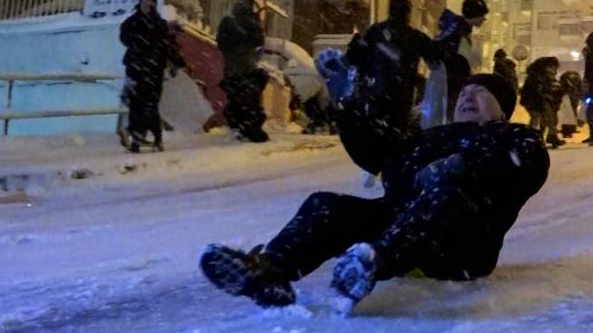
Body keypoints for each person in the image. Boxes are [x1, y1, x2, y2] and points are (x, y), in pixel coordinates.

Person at [199, 51, 549, 314]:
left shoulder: (513, 136)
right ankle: (271, 271)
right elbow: (378, 154)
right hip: (402, 227)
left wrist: (460, 165)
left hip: (461, 249)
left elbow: (529, 164)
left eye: (480, 92)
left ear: (501, 109)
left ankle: (368, 265)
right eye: (464, 93)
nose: (468, 96)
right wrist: (347, 104)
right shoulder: (428, 138)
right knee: (327, 205)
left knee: (445, 199)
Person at [345, 0, 439, 135]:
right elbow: (435, 58)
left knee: (374, 133)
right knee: (396, 134)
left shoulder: (375, 32)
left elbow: (354, 58)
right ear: (408, 13)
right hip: (401, 96)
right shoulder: (415, 37)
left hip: (376, 93)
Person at [118, 0, 185, 153]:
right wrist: (138, 41)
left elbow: (168, 46)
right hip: (137, 69)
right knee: (138, 105)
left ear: (154, 6)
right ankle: (138, 137)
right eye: (143, 4)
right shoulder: (132, 22)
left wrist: (178, 61)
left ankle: (150, 137)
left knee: (150, 106)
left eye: (149, 5)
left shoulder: (159, 25)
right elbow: (124, 38)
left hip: (153, 71)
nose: (146, 7)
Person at [217, 0, 269, 142]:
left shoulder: (228, 20)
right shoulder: (252, 21)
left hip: (231, 69)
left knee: (235, 99)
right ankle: (248, 129)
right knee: (251, 102)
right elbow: (259, 42)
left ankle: (238, 127)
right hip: (248, 67)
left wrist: (232, 52)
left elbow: (220, 42)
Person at [435, 0, 489, 117]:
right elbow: (460, 61)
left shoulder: (456, 28)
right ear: (475, 14)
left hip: (446, 82)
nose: (484, 19)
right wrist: (467, 81)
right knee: (452, 116)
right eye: (482, 15)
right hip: (452, 85)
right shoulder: (460, 32)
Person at [520, 56, 564, 147]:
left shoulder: (544, 75)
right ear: (546, 66)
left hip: (538, 100)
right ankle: (535, 137)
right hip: (534, 101)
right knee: (538, 118)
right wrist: (546, 97)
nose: (553, 70)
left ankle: (540, 137)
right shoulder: (537, 76)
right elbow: (536, 91)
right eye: (551, 67)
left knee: (545, 118)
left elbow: (554, 88)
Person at [558, 71, 582, 139]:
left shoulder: (564, 78)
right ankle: (571, 129)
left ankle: (566, 130)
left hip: (569, 97)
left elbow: (562, 88)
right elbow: (579, 89)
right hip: (573, 97)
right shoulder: (576, 78)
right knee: (572, 113)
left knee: (566, 114)